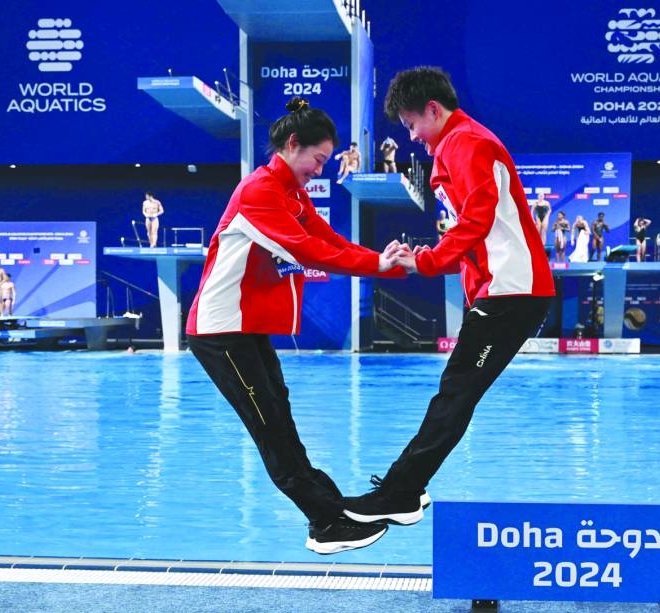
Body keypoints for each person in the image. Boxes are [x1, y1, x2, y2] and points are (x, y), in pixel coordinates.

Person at [185, 97, 403, 556]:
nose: (320, 170)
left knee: (280, 415)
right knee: (270, 426)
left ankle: (331, 506)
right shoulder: (259, 191)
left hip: (244, 328)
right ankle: (323, 522)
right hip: (219, 331)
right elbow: (310, 251)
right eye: (318, 160)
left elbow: (328, 239)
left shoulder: (290, 192)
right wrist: (378, 266)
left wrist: (380, 261)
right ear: (292, 145)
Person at [342, 66, 554, 528]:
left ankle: (401, 493)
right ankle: (402, 490)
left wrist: (431, 261)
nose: (413, 136)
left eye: (412, 124)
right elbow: (474, 227)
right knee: (454, 395)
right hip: (500, 290)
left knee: (454, 395)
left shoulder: (468, 143)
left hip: (511, 292)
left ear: (433, 110)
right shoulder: (459, 144)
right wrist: (427, 256)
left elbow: (476, 219)